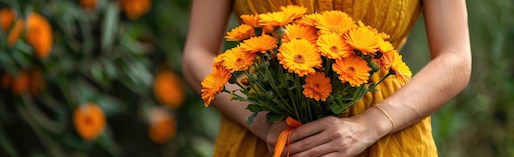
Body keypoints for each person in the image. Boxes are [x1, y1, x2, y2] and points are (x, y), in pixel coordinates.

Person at [182, 0, 471, 156]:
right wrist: (266, 123)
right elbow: (197, 52)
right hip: (266, 142)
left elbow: (455, 58)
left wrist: (371, 124)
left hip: (385, 140)